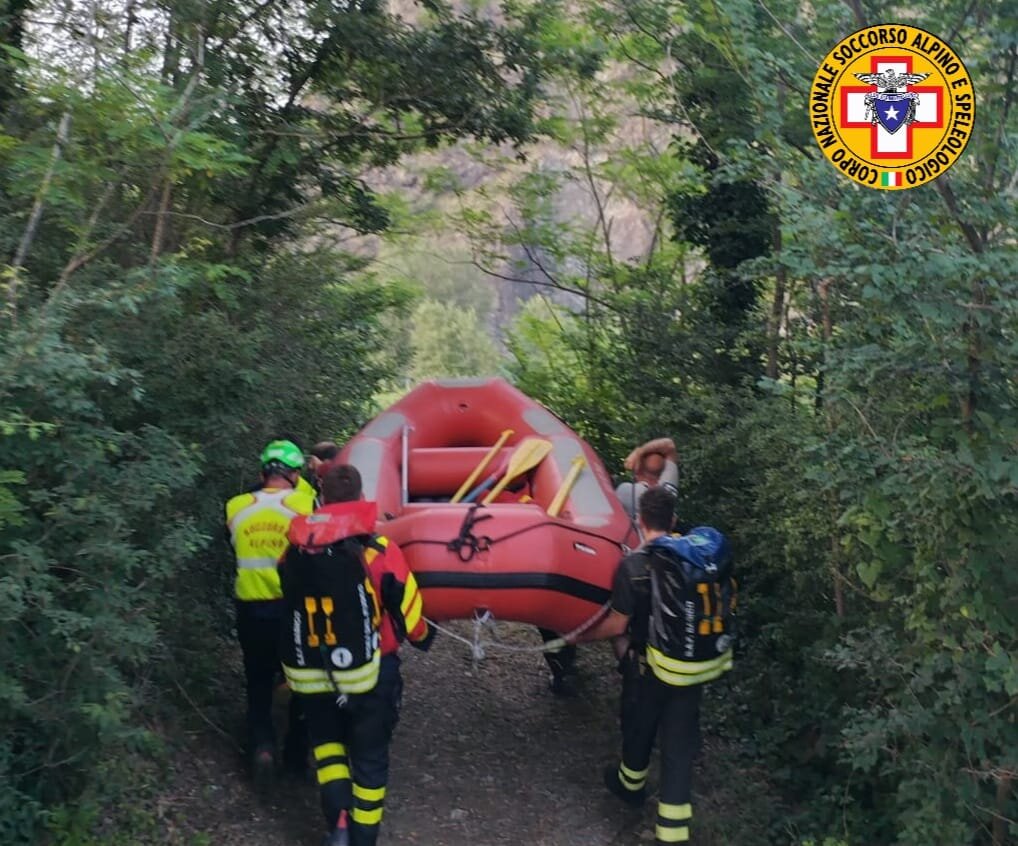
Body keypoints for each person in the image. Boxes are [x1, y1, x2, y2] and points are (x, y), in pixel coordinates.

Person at [567, 486, 735, 846]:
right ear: (673, 521)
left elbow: (617, 624)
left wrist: (576, 637)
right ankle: (672, 834)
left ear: (639, 520)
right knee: (678, 745)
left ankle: (630, 786)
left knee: (640, 725)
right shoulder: (693, 559)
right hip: (694, 666)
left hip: (651, 665)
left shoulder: (633, 566)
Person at [279, 463, 434, 846]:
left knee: (329, 752)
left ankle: (338, 826)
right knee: (369, 758)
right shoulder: (380, 550)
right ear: (361, 500)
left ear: (323, 500)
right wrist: (423, 636)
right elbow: (410, 611)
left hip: (312, 671)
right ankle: (362, 837)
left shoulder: (296, 551)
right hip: (371, 670)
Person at [225, 439, 316, 783]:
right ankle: (295, 756)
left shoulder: (235, 507)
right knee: (303, 682)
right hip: (293, 611)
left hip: (250, 609)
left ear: (263, 471)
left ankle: (262, 746)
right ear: (294, 474)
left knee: (258, 681)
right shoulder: (306, 504)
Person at [615, 437, 679, 521]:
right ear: (663, 473)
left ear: (638, 471)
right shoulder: (668, 491)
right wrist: (640, 452)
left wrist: (638, 453)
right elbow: (669, 445)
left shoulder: (624, 490)